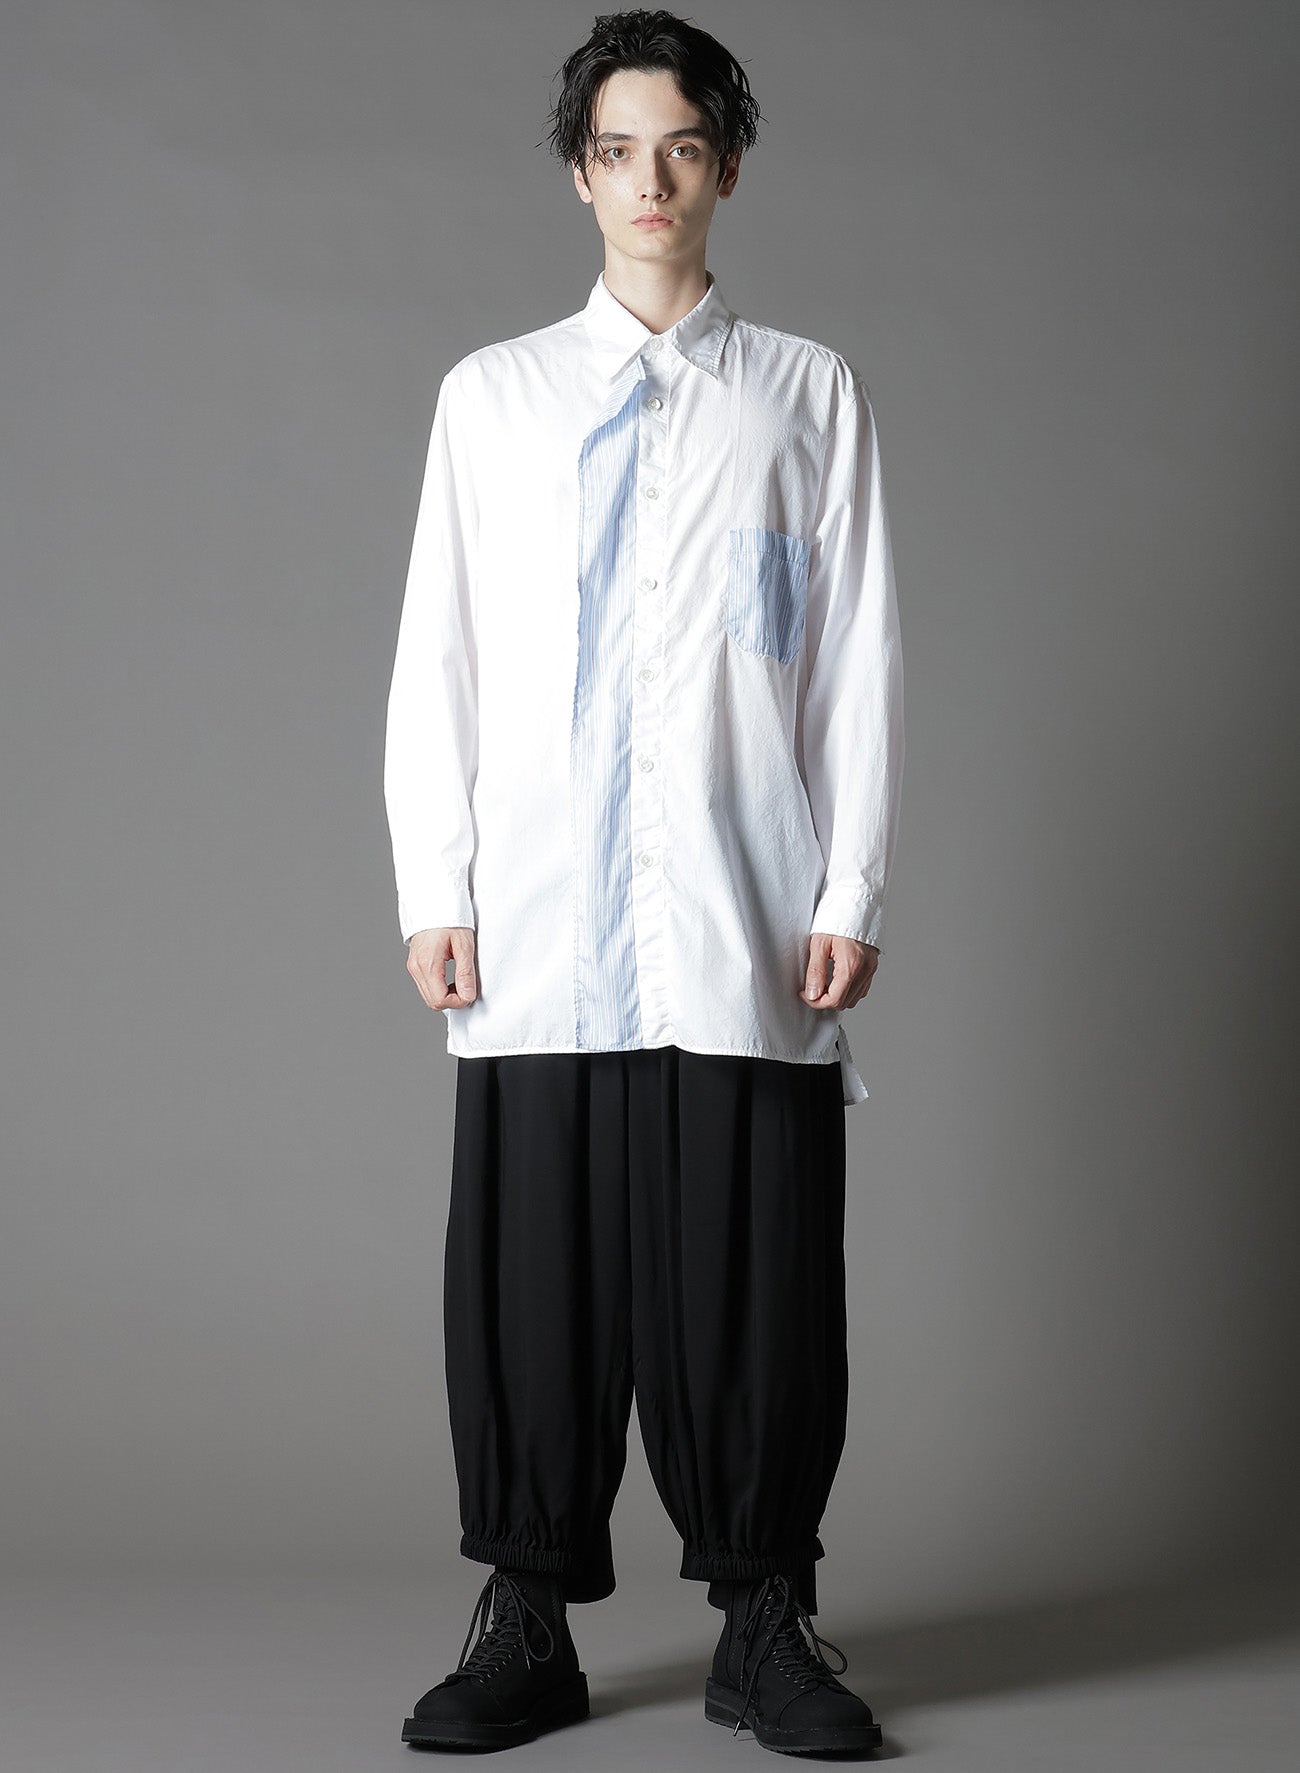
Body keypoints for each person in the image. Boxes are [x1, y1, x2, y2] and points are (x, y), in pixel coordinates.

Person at [383, 7, 904, 1755]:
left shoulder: (808, 394)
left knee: (758, 1275)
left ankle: (765, 1622)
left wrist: (850, 885)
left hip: (743, 914)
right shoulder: (493, 399)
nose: (651, 181)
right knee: (533, 1278)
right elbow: (439, 657)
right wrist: (436, 881)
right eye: (619, 151)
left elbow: (856, 659)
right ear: (579, 175)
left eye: (683, 147)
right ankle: (525, 1616)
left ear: (726, 166)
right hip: (542, 916)